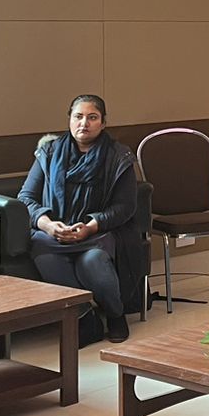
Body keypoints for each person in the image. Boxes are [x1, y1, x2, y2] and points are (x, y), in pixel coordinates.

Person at [20, 95, 142, 344]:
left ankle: (115, 314)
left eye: (92, 117)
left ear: (103, 123)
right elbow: (26, 197)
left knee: (91, 262)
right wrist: (47, 224)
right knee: (43, 251)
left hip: (99, 233)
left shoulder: (118, 156)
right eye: (78, 116)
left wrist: (90, 226)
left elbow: (125, 206)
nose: (84, 123)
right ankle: (85, 318)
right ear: (69, 120)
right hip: (55, 235)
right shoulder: (49, 152)